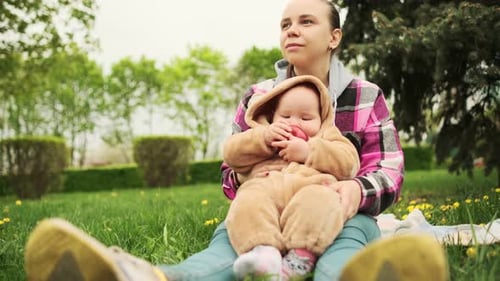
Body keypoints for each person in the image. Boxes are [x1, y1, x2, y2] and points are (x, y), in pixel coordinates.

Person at [24, 0, 449, 280]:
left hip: (336, 210)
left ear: (334, 37)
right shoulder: (257, 99)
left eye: (306, 21)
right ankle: (139, 275)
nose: (292, 31)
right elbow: (229, 172)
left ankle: (362, 275)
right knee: (226, 248)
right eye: (285, 24)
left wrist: (353, 190)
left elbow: (389, 170)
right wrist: (255, 169)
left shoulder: (365, 95)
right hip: (263, 209)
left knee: (348, 242)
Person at [223, 75, 359, 280]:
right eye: (285, 116)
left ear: (321, 120)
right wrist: (264, 138)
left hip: (310, 187)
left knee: (322, 200)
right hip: (267, 186)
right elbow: (231, 154)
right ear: (272, 116)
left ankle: (300, 257)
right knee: (248, 200)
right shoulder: (263, 134)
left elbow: (349, 163)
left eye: (306, 118)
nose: (295, 123)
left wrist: (309, 151)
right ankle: (263, 253)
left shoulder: (327, 136)